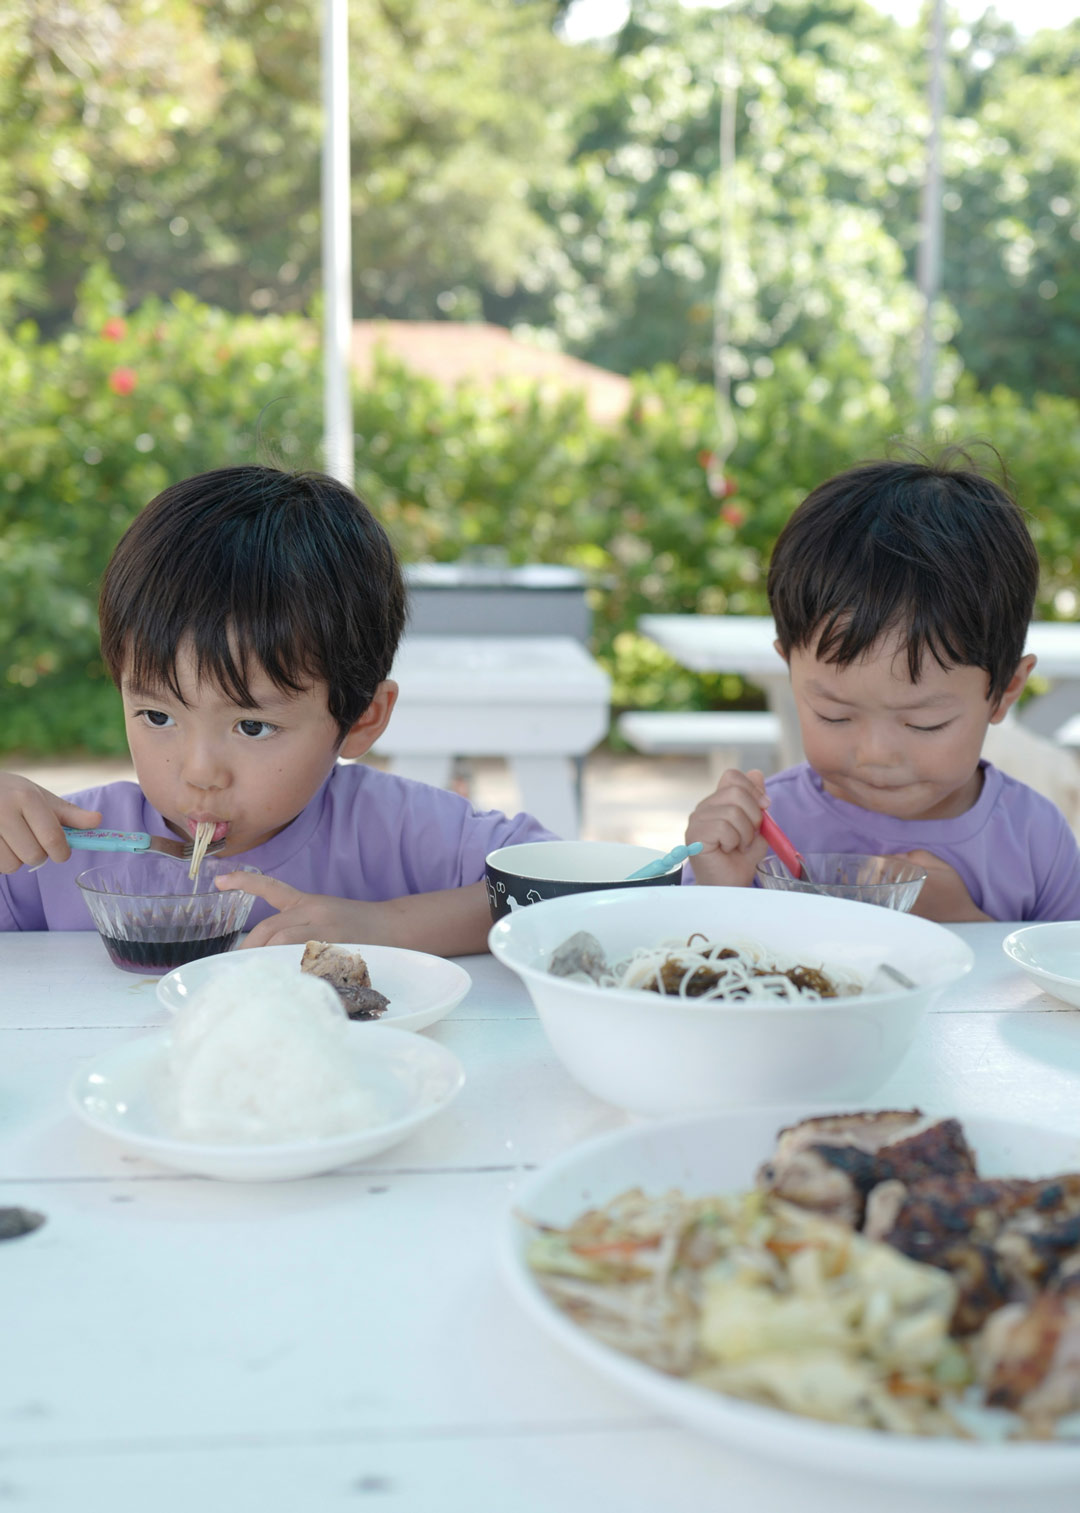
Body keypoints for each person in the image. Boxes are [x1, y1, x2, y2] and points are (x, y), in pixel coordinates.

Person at [0, 465, 556, 952]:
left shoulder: (393, 831)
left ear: (362, 717)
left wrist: (389, 927)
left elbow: (577, 885)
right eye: (158, 717)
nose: (199, 773)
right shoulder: (58, 852)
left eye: (252, 725)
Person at [686, 451, 1080, 922]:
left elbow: (1063, 984)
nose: (876, 753)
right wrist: (719, 888)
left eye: (924, 723)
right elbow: (691, 969)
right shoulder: (762, 831)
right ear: (791, 673)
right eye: (835, 714)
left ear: (1005, 690)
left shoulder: (1034, 839)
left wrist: (964, 923)